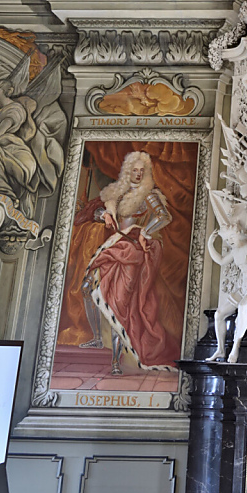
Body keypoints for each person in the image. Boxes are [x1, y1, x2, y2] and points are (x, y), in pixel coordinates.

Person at [79, 151, 173, 375]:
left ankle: (115, 361)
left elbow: (163, 216)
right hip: (113, 248)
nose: (138, 175)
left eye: (142, 171)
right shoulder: (117, 194)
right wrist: (105, 215)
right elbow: (96, 212)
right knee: (86, 288)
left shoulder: (148, 194)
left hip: (132, 254)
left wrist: (145, 233)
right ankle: (96, 339)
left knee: (118, 305)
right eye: (135, 170)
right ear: (127, 171)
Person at [206, 222, 247, 364]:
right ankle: (220, 349)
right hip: (241, 289)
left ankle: (235, 347)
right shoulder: (235, 251)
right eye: (228, 239)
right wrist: (210, 244)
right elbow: (220, 261)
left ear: (238, 233)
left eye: (231, 237)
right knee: (218, 315)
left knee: (243, 309)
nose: (230, 241)